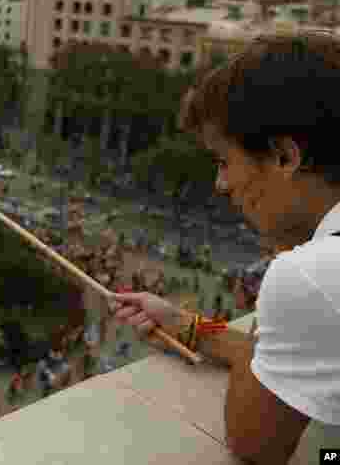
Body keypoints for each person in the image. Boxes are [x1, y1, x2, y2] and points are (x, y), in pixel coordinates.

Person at [108, 33, 340, 465]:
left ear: (286, 157)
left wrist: (287, 256)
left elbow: (253, 443)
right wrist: (186, 326)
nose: (221, 184)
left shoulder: (314, 274)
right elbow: (302, 356)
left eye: (223, 161)